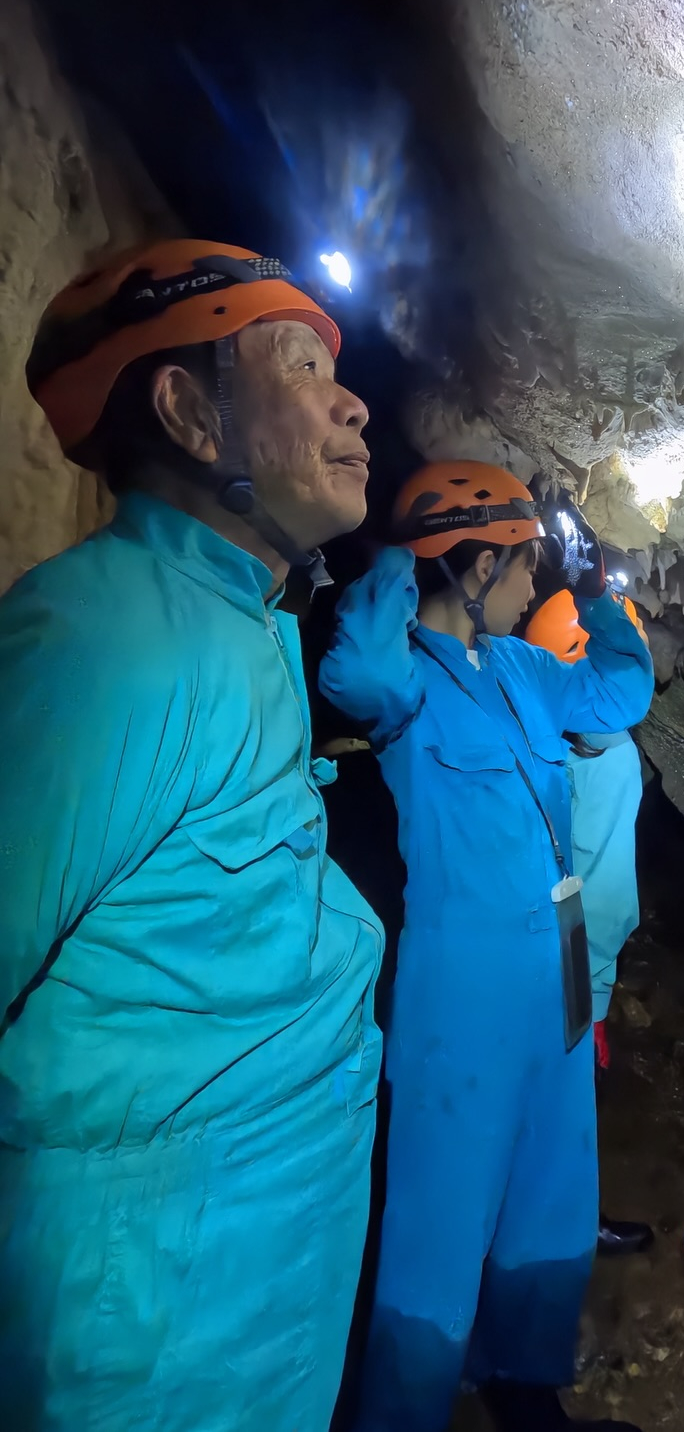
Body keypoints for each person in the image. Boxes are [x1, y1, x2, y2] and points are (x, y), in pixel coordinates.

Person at [0, 240, 384, 1432]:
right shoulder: (104, 640)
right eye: (296, 364)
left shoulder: (243, 623)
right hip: (156, 1329)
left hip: (246, 1300)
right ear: (188, 415)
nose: (352, 397)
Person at [318, 462, 655, 1432]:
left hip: (555, 946)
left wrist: (602, 592)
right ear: (476, 566)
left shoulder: (523, 671)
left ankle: (524, 1379)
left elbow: (619, 696)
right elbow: (355, 673)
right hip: (461, 968)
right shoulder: (408, 684)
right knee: (444, 1198)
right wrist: (397, 556)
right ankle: (407, 1406)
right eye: (525, 564)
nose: (533, 583)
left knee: (555, 1170)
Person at [525, 589, 653, 1258]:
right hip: (575, 941)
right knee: (569, 1088)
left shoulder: (574, 745)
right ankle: (566, 1220)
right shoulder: (593, 745)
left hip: (580, 938)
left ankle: (561, 1209)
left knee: (570, 1082)